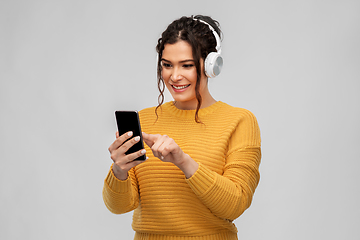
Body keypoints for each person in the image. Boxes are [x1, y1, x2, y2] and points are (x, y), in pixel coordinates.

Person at [103, 15, 261, 240]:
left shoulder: (240, 121)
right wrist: (119, 171)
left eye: (186, 65)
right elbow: (118, 207)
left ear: (210, 65)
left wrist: (183, 161)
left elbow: (235, 204)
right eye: (167, 65)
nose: (174, 76)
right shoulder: (145, 119)